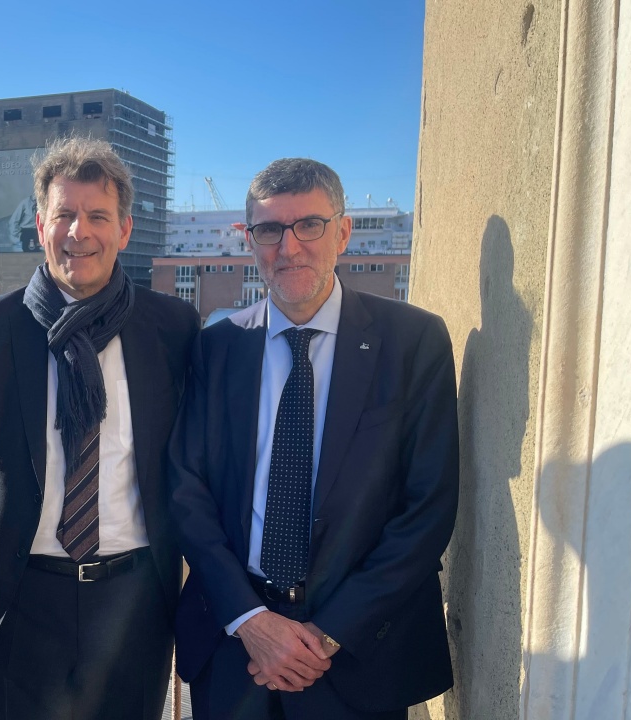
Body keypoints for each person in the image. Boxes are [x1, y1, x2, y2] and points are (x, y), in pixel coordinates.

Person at [168, 158, 459, 720]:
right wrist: (251, 621)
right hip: (235, 648)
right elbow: (186, 490)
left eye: (309, 225)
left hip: (358, 652)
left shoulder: (413, 341)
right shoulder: (216, 347)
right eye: (270, 230)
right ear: (250, 240)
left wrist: (325, 635)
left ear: (343, 232)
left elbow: (428, 509)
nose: (289, 247)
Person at [0, 136, 199, 719]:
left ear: (125, 229)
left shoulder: (173, 329)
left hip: (137, 600)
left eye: (97, 216)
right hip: (21, 599)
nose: (78, 231)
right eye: (64, 214)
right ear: (40, 225)